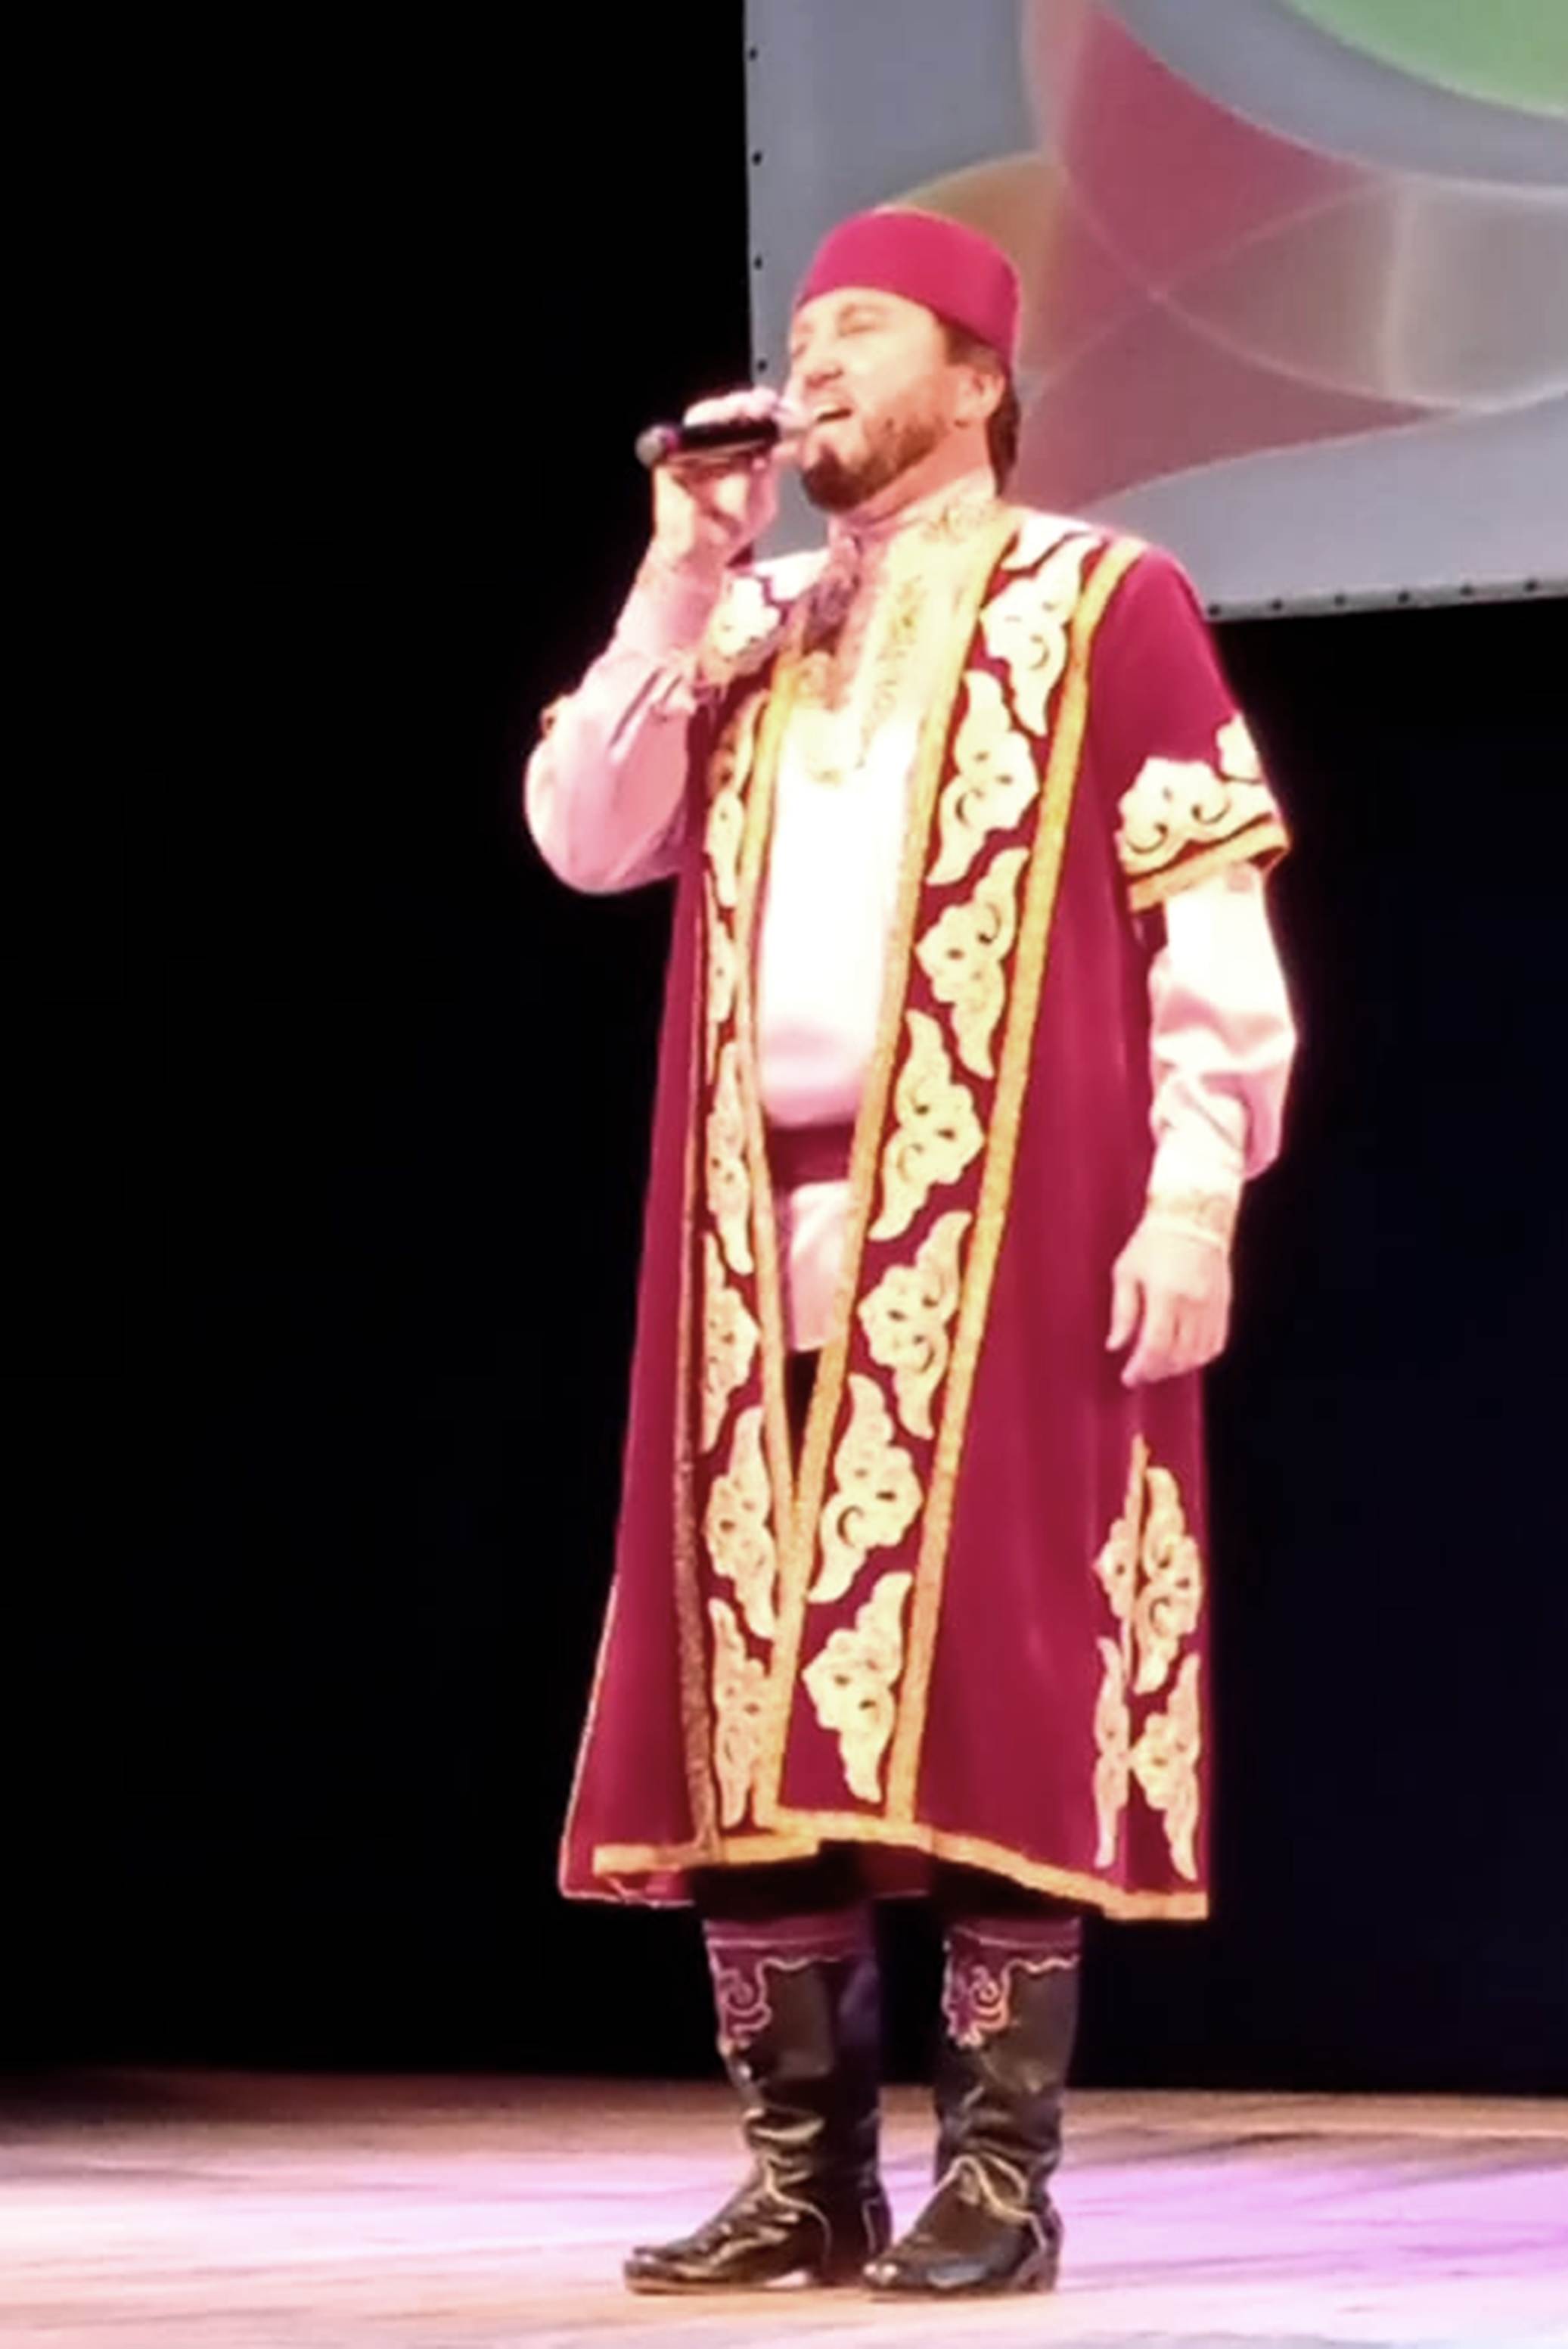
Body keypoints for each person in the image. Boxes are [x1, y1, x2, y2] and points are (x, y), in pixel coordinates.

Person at [525, 207, 1296, 2298]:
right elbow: (585, 835)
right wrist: (682, 567)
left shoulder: (1100, 600)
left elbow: (1207, 920)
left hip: (999, 1225)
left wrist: (1195, 1192)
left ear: (976, 379)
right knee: (744, 1688)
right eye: (804, 332)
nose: (817, 363)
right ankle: (805, 2175)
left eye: (862, 329)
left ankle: (996, 2179)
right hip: (744, 1238)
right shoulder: (747, 623)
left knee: (990, 1675)